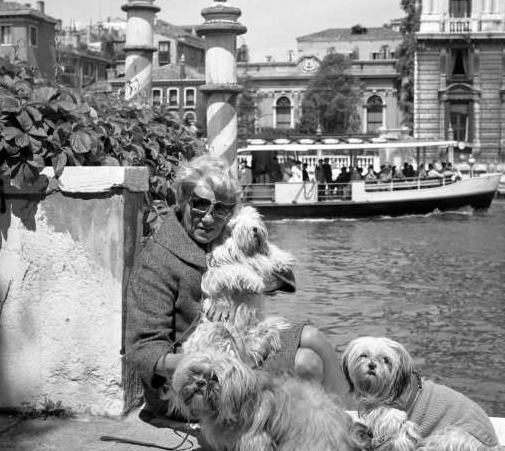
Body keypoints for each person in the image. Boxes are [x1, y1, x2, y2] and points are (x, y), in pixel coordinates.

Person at [126, 154, 350, 418]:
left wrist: (246, 285)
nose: (209, 218)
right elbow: (143, 351)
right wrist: (212, 364)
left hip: (242, 344)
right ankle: (314, 428)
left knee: (314, 337)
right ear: (182, 201)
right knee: (307, 364)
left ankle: (347, 415)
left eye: (220, 208)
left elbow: (283, 272)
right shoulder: (158, 259)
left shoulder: (225, 236)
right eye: (200, 205)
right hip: (195, 379)